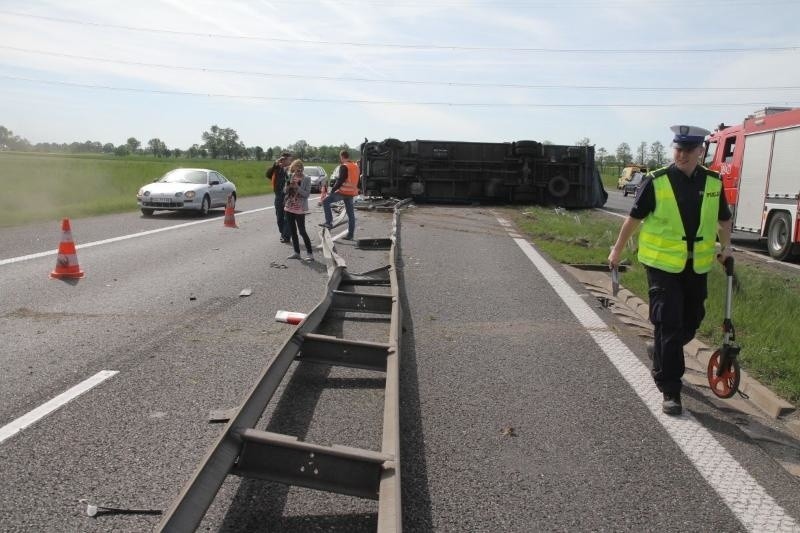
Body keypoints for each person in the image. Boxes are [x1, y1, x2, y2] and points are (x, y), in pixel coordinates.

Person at [608, 125, 733, 416]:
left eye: (689, 150)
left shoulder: (714, 182)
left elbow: (724, 220)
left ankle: (662, 349)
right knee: (670, 322)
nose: (682, 155)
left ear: (700, 152)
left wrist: (726, 247)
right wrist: (616, 249)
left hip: (696, 265)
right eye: (678, 149)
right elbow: (633, 219)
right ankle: (670, 389)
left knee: (692, 320)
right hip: (662, 266)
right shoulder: (657, 181)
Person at [320, 149, 359, 239]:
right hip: (351, 192)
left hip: (343, 191)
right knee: (350, 214)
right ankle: (350, 235)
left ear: (342, 157)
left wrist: (332, 190)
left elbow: (340, 180)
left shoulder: (344, 166)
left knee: (325, 201)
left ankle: (329, 222)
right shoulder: (355, 166)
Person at [284, 159, 314, 262]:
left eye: (300, 170)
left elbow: (306, 194)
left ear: (302, 169)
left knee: (302, 231)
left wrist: (297, 187)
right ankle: (297, 253)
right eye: (296, 170)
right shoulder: (291, 176)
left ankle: (310, 254)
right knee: (293, 231)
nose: (298, 172)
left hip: (299, 209)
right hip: (289, 207)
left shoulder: (307, 179)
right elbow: (285, 191)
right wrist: (288, 186)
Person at [266, 151, 292, 243]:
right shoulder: (276, 169)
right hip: (278, 196)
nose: (290, 161)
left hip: (289, 197)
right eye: (289, 160)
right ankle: (283, 233)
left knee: (287, 217)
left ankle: (286, 236)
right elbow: (268, 175)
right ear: (283, 160)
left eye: (290, 160)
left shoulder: (291, 169)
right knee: (279, 217)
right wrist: (275, 165)